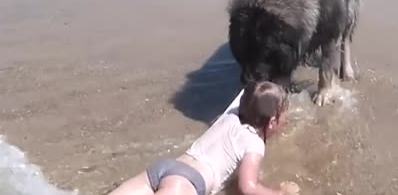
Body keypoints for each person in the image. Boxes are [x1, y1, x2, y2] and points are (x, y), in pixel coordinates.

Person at [108, 81, 301, 195]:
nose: (287, 120)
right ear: (272, 122)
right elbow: (248, 186)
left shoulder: (231, 116)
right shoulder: (254, 143)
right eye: (285, 115)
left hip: (163, 168)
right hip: (185, 184)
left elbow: (248, 96)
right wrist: (280, 193)